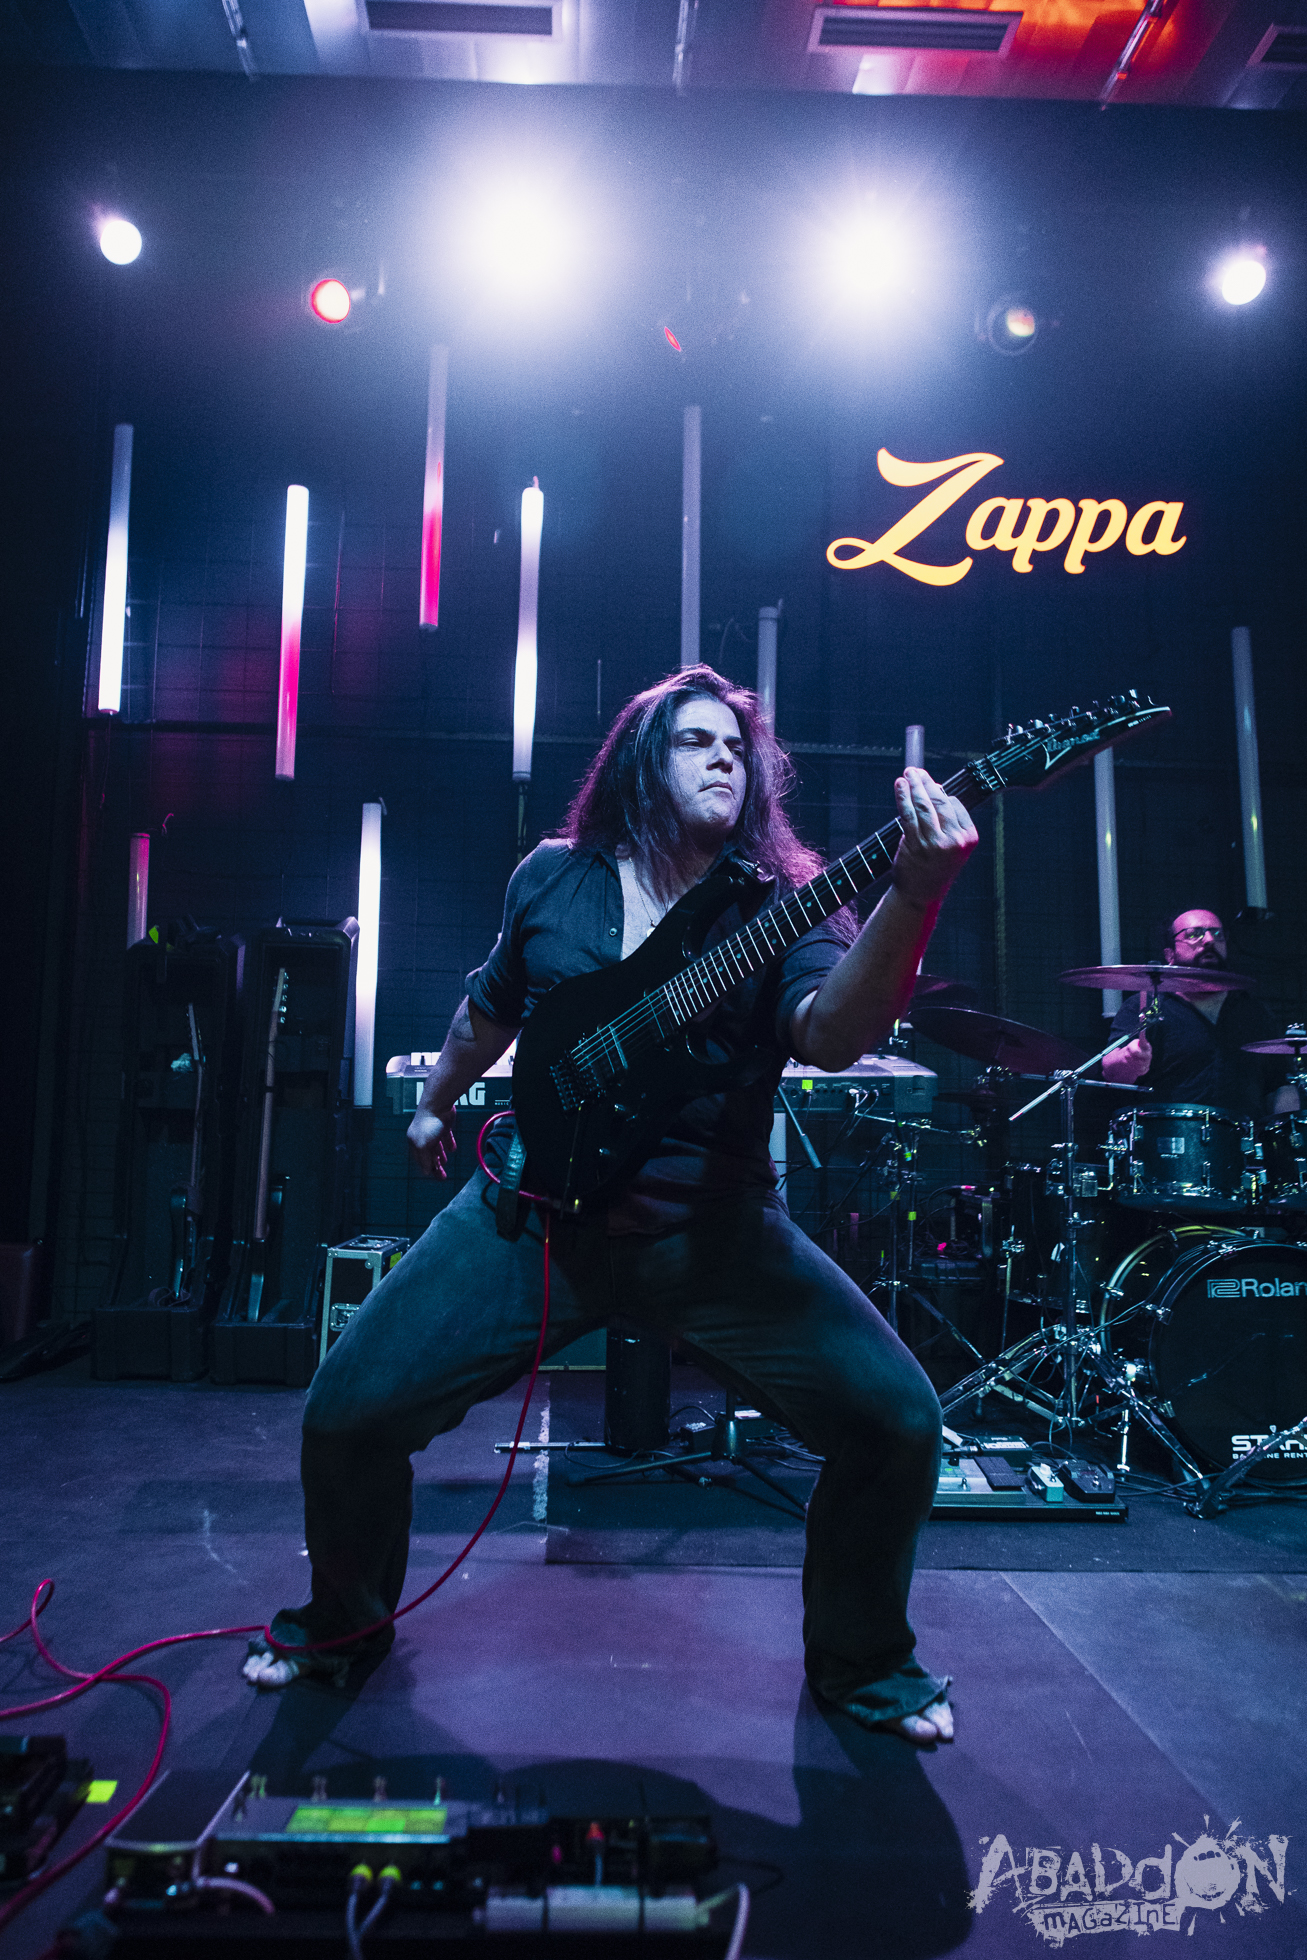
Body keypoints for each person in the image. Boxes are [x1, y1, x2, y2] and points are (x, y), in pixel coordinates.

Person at [243, 666, 978, 1744]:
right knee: (347, 1414)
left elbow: (829, 1034)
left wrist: (914, 894)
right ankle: (338, 1629)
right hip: (531, 1219)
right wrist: (433, 1103)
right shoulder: (553, 877)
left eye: (737, 747)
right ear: (640, 761)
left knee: (898, 1421)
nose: (724, 758)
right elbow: (488, 1006)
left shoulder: (783, 899)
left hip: (710, 1232)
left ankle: (865, 1665)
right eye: (694, 741)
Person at [1101, 908, 1293, 1117]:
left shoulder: (1253, 1012)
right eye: (1194, 934)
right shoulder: (1146, 1005)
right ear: (1170, 955)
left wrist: (1291, 1131)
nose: (1209, 940)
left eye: (1217, 934)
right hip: (1167, 1133)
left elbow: (1279, 1085)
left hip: (1245, 1136)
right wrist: (1129, 1060)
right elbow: (1111, 1073)